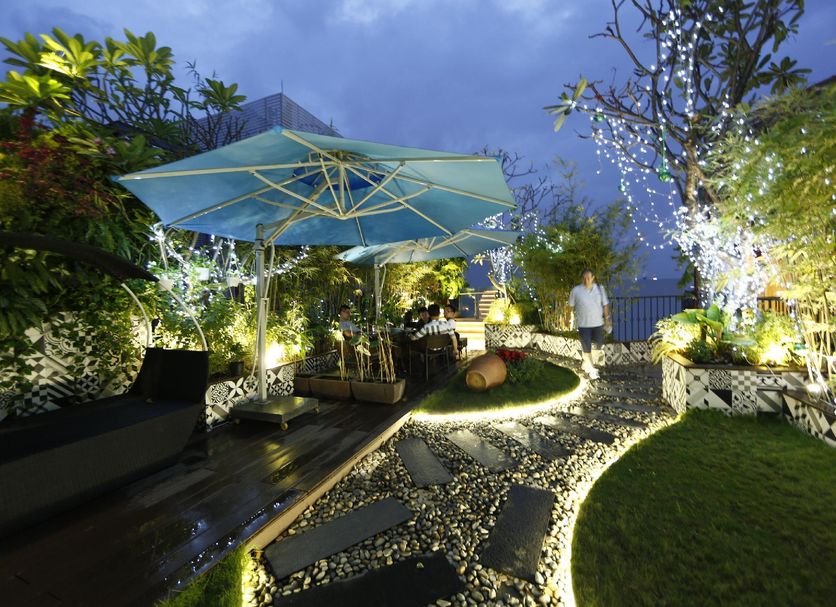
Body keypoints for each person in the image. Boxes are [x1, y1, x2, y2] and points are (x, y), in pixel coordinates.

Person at [568, 269, 611, 379]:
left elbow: (605, 305)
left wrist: (607, 319)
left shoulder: (600, 289)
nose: (586, 280)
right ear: (582, 278)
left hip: (598, 323)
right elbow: (570, 306)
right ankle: (592, 369)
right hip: (583, 325)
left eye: (588, 278)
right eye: (584, 278)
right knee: (586, 348)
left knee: (598, 346)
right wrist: (568, 318)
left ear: (592, 278)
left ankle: (586, 363)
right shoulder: (576, 290)